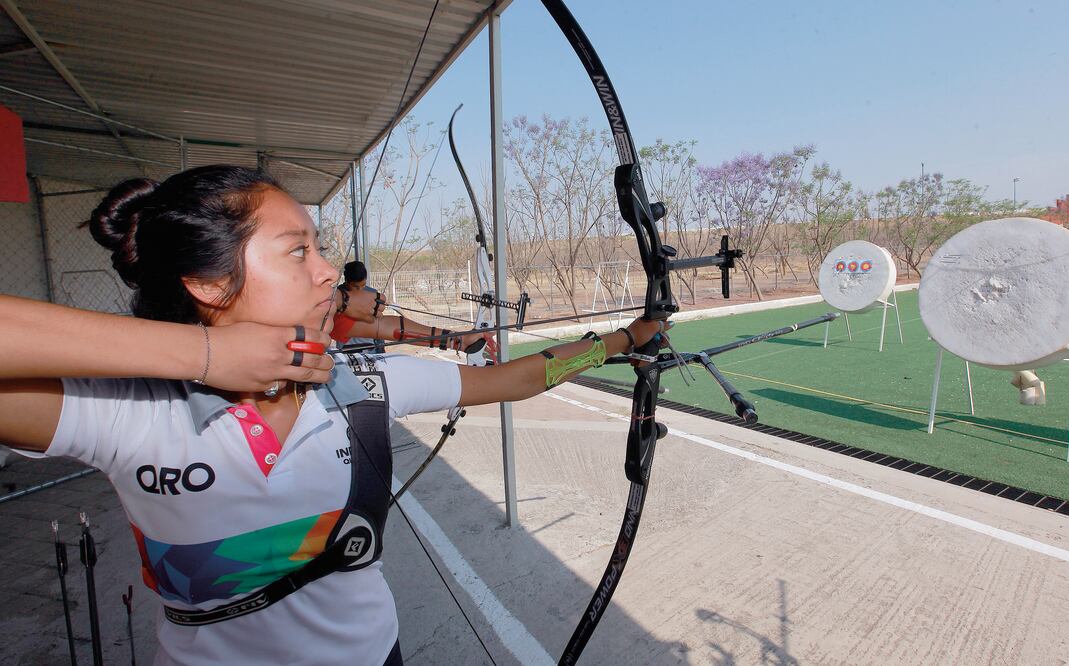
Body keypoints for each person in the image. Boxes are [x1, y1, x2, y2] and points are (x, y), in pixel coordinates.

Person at [0, 165, 664, 666]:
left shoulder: (365, 383)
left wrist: (626, 338)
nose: (326, 274)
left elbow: (513, 378)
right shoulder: (122, 411)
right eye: (298, 251)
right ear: (207, 285)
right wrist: (204, 353)